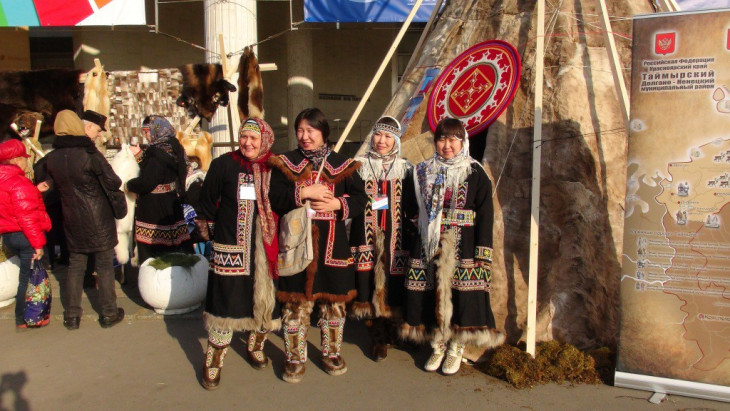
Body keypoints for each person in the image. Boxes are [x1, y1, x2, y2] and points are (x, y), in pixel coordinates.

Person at [268, 108, 368, 383]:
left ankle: (331, 352)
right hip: (296, 245)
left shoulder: (343, 164)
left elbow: (361, 199)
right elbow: (274, 196)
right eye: (300, 130)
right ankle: (294, 357)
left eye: (310, 130)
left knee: (333, 303)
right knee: (294, 304)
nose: (304, 136)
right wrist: (303, 192)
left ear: (324, 132)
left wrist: (339, 203)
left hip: (333, 246)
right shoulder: (286, 163)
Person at [401, 117, 504, 375]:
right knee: (430, 294)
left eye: (453, 139)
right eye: (442, 138)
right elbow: (410, 206)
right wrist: (420, 228)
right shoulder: (422, 171)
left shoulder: (475, 172)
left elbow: (485, 214)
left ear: (463, 141)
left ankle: (456, 346)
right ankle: (437, 344)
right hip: (429, 244)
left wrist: (483, 253)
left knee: (462, 297)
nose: (447, 145)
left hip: (464, 245)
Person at [197, 118, 281, 390]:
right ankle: (214, 360)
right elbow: (207, 203)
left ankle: (256, 346)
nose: (247, 143)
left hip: (266, 251)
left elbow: (286, 199)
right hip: (230, 248)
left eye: (253, 139)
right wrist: (214, 236)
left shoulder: (275, 167)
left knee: (263, 301)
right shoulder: (224, 164)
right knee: (224, 304)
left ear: (265, 140)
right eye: (244, 137)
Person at [42, 110, 125, 329]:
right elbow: (112, 180)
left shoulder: (53, 157)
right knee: (105, 264)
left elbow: (46, 184)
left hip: (71, 216)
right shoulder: (89, 153)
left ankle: (72, 316)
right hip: (98, 216)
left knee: (75, 265)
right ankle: (109, 313)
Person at [349, 116, 414, 361]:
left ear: (396, 140)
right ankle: (377, 336)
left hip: (395, 238)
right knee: (368, 283)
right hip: (365, 235)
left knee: (394, 284)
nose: (382, 141)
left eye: (388, 136)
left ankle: (393, 331)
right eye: (378, 134)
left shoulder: (406, 168)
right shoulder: (358, 166)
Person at [126, 116, 192, 264]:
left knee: (154, 252)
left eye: (147, 132)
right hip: (171, 203)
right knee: (175, 248)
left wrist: (128, 185)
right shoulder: (174, 146)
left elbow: (148, 182)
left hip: (154, 208)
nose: (146, 136)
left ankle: (153, 283)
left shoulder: (157, 152)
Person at [0, 139, 51, 329]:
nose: (26, 161)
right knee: (28, 279)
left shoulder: (5, 181)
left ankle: (30, 314)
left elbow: (11, 205)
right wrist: (38, 244)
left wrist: (35, 191)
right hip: (25, 236)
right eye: (23, 157)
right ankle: (25, 317)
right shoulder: (19, 182)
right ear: (15, 160)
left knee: (27, 276)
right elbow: (27, 217)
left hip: (9, 235)